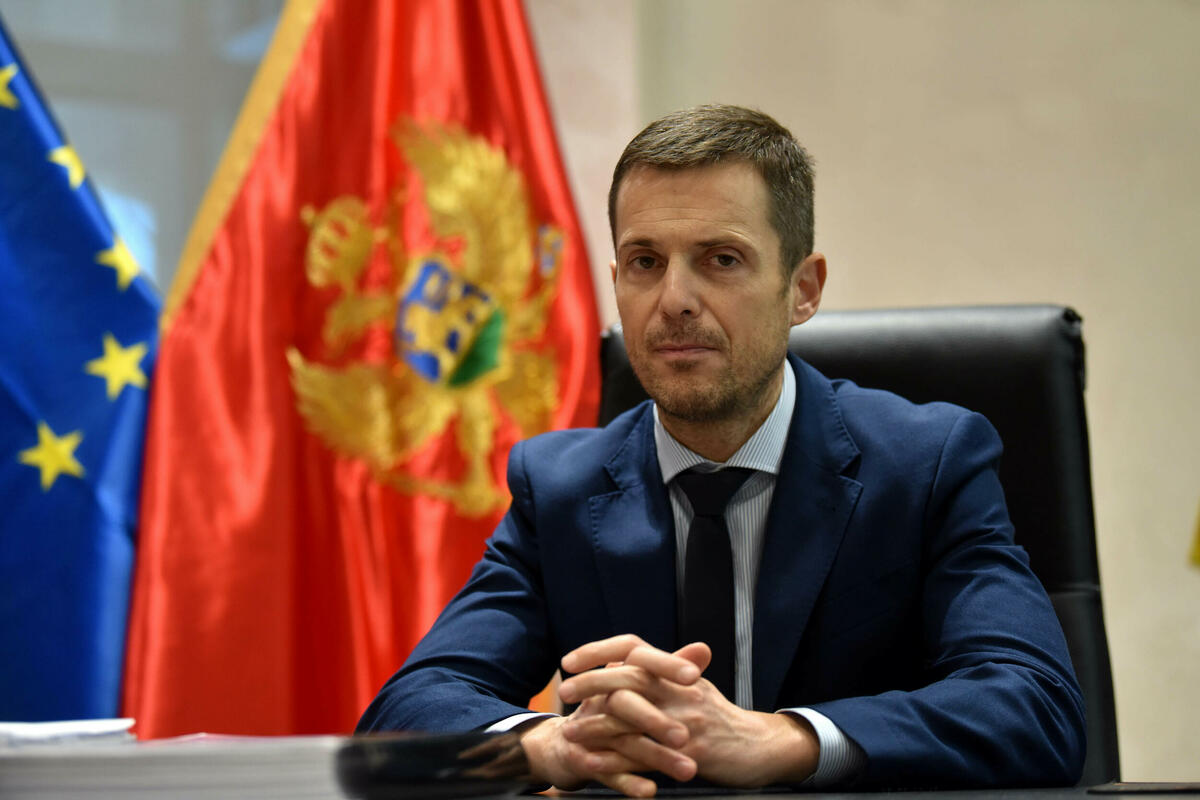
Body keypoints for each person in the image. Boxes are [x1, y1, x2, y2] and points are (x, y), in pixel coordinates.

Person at [357, 104, 1086, 795]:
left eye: (722, 259)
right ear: (616, 285)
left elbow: (1035, 704)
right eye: (645, 262)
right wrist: (547, 746)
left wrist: (781, 739)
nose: (674, 298)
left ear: (803, 289)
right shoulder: (559, 489)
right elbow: (405, 713)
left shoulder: (926, 466)